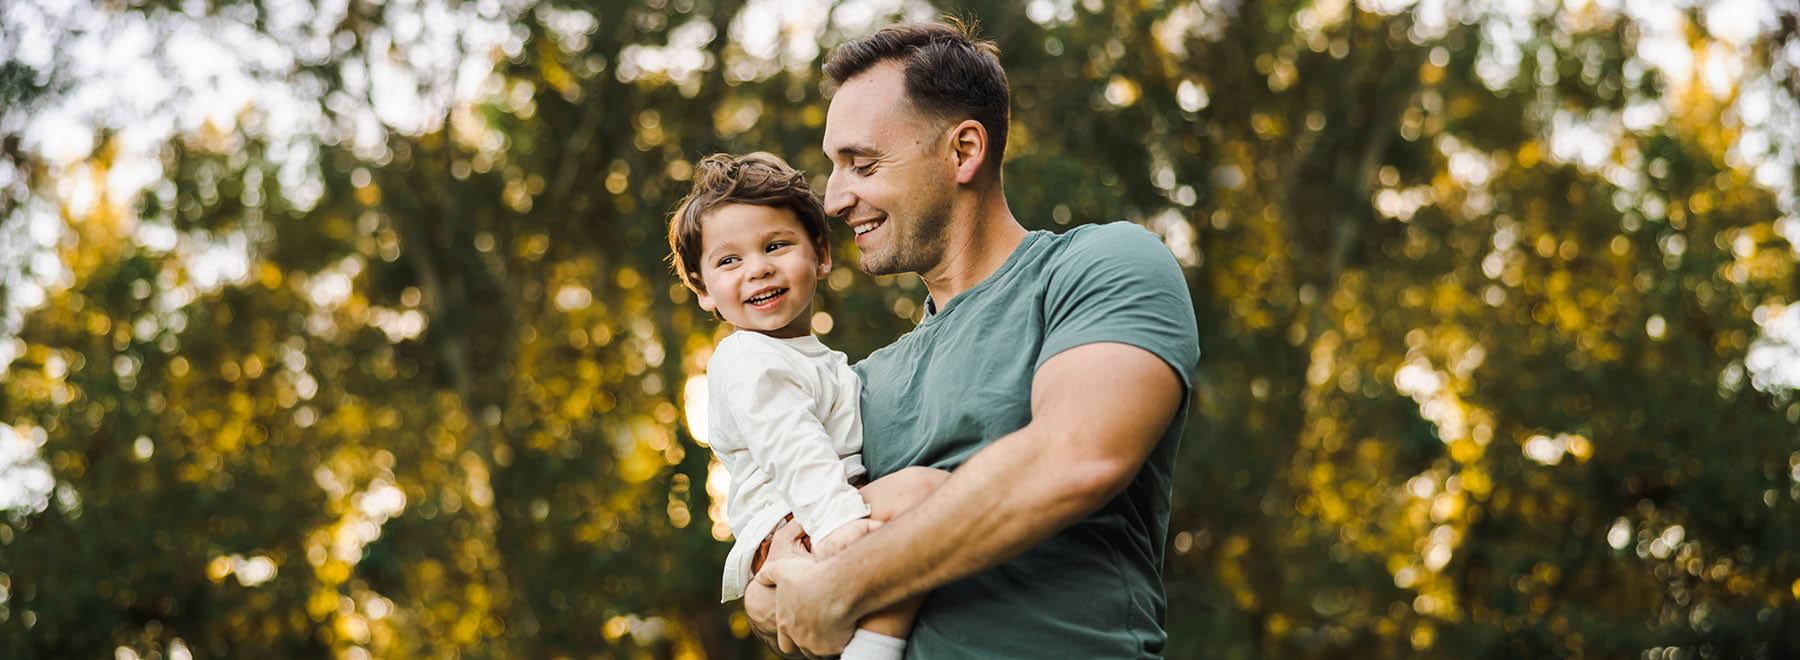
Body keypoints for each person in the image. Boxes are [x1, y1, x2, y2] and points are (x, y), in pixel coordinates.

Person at [746, 20, 1201, 659]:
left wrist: (844, 581)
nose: (835, 199)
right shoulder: (860, 382)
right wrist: (773, 584)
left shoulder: (1103, 265)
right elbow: (781, 569)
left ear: (963, 151)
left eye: (863, 164)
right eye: (833, 169)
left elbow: (1076, 455)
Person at [665, 152, 949, 660]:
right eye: (729, 260)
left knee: (919, 522)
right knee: (927, 492)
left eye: (775, 245)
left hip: (818, 514)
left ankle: (872, 643)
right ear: (702, 288)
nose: (758, 269)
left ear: (821, 254)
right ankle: (875, 649)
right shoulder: (747, 357)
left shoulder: (813, 358)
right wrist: (839, 525)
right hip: (794, 523)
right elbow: (789, 444)